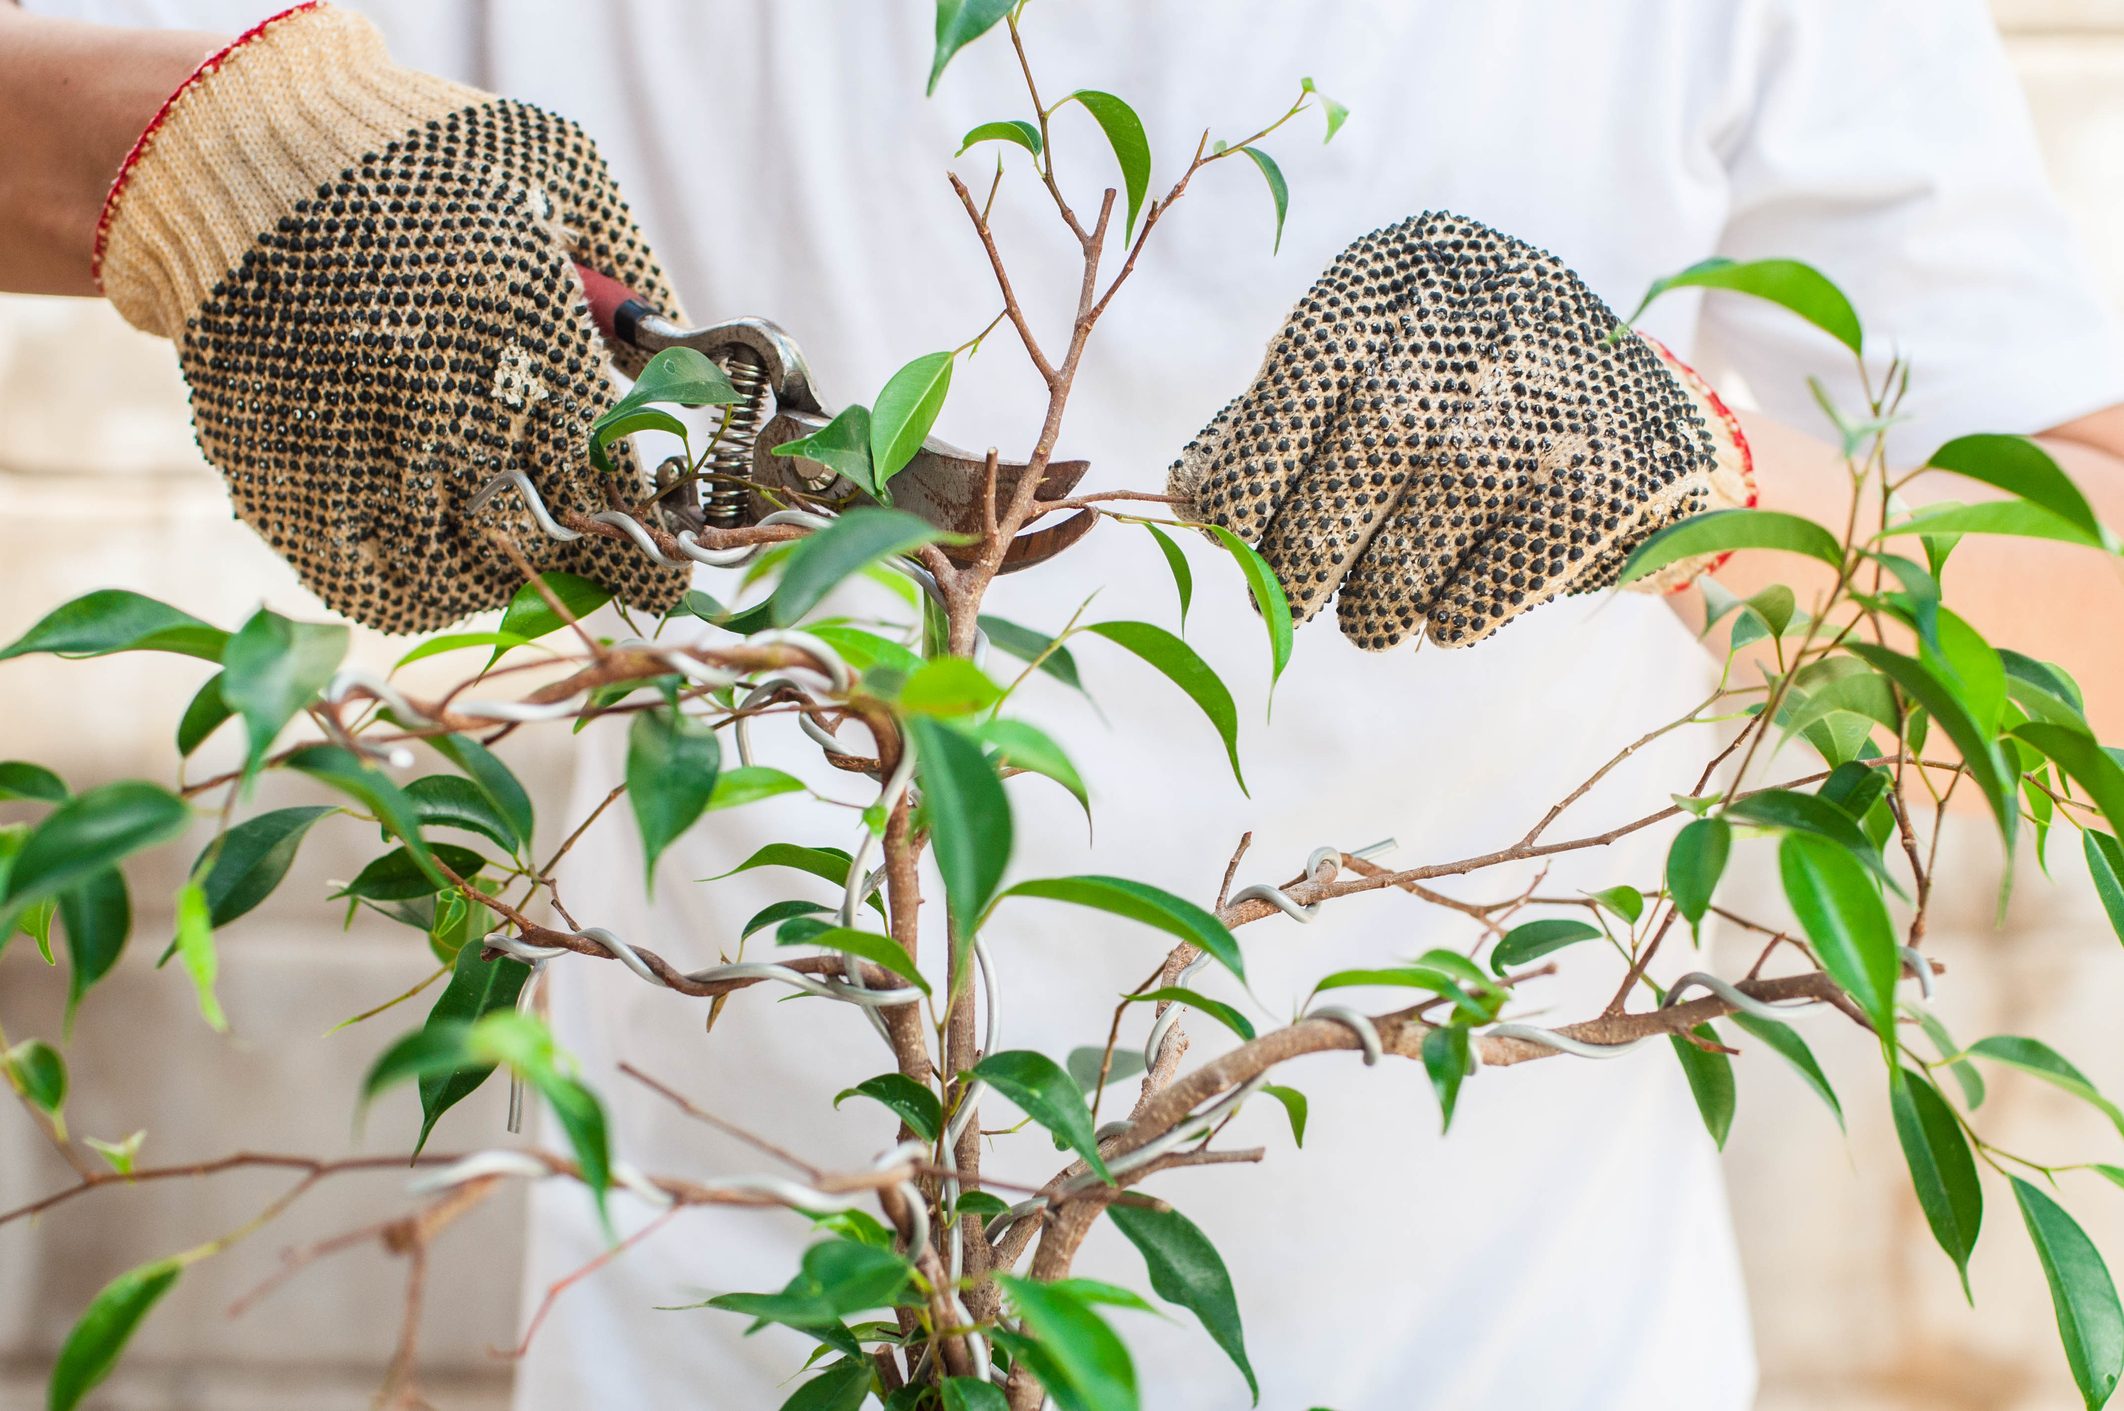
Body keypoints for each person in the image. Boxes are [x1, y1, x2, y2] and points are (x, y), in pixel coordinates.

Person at [5, 2, 2123, 1407]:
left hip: (1513, 1360)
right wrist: (211, 149)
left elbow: (2088, 656)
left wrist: (1710, 481)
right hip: (737, 1358)